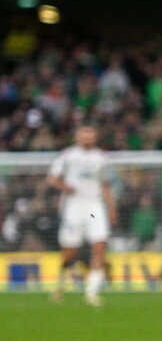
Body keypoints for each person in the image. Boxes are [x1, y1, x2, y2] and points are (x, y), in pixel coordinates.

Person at [46, 125, 117, 306]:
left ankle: (91, 292)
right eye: (84, 135)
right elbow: (52, 178)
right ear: (77, 137)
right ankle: (61, 281)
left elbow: (106, 185)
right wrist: (65, 187)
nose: (87, 138)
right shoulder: (68, 155)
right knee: (70, 250)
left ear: (95, 137)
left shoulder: (101, 158)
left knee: (99, 245)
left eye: (90, 135)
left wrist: (111, 209)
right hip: (73, 205)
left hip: (94, 205)